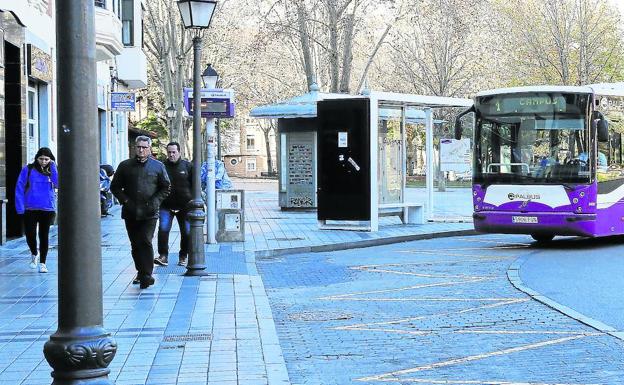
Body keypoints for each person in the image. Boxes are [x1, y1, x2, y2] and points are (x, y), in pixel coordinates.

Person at [111, 136, 170, 289]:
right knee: (135, 243)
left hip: (150, 211)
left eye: (144, 147)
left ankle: (147, 274)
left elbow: (165, 187)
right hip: (130, 211)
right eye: (139, 147)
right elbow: (115, 187)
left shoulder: (157, 166)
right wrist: (125, 201)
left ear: (150, 148)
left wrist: (156, 201)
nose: (141, 150)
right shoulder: (125, 166)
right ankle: (141, 271)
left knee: (145, 240)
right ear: (135, 148)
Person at [15, 147, 58, 273]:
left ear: (50, 159)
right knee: (30, 235)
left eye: (46, 159)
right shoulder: (28, 169)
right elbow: (19, 188)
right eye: (41, 159)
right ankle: (34, 253)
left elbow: (58, 184)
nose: (43, 161)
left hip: (47, 208)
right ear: (36, 158)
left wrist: (53, 167)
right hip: (30, 208)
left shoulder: (52, 170)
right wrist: (20, 208)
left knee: (44, 236)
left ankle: (43, 263)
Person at [154, 142, 192, 267]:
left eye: (174, 152)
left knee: (186, 232)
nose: (171, 155)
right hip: (166, 206)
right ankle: (163, 256)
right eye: (169, 152)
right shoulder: (161, 166)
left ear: (179, 152)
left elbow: (195, 185)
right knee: (163, 230)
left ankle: (183, 256)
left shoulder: (187, 166)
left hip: (185, 206)